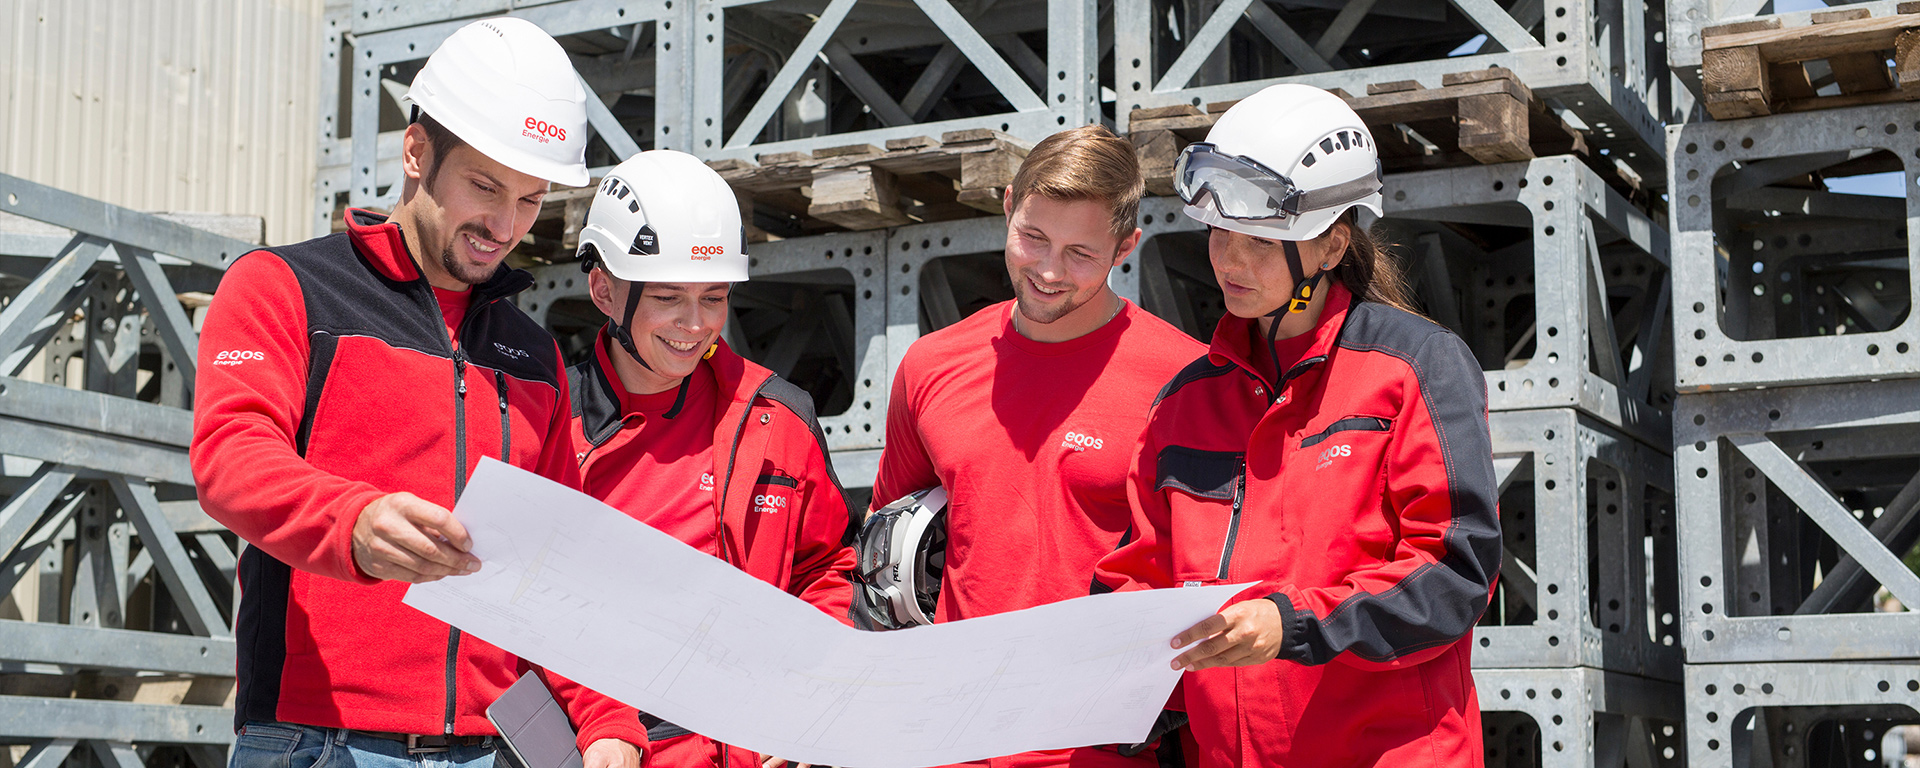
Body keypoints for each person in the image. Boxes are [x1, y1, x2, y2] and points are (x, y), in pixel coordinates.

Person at [191, 17, 645, 768]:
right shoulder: (287, 288)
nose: (504, 226)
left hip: (488, 750)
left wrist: (607, 720)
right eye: (485, 186)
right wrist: (353, 520)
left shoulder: (532, 356)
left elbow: (555, 561)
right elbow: (231, 458)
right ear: (415, 151)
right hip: (317, 744)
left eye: (531, 200)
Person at [1091, 84, 1502, 768]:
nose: (1227, 260)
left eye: (1257, 240)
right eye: (1219, 233)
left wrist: (1293, 625)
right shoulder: (1185, 403)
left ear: (1332, 243)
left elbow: (1452, 573)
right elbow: (1137, 580)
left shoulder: (1415, 369)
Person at [869, 124, 1208, 768]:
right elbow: (888, 536)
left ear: (1127, 247)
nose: (1049, 271)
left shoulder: (1185, 381)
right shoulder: (930, 365)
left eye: (1081, 253)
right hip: (948, 739)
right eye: (1033, 237)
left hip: (1102, 750)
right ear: (1006, 206)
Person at [567, 150, 860, 768]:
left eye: (714, 296)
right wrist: (603, 721)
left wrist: (811, 690)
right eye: (669, 297)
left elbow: (829, 567)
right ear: (603, 289)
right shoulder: (549, 426)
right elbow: (520, 604)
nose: (694, 325)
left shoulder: (777, 416)